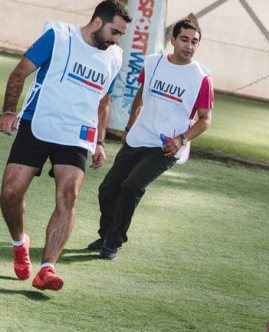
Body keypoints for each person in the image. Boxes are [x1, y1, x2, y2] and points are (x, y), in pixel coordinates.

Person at [0, 0, 130, 291]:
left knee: (68, 196)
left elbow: (103, 103)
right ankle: (20, 242)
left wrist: (98, 142)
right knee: (9, 192)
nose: (116, 39)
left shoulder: (113, 57)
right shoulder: (58, 37)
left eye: (120, 35)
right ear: (98, 22)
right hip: (38, 122)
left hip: (76, 133)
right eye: (115, 32)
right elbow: (20, 73)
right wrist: (9, 111)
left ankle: (47, 268)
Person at [87, 19, 213, 260]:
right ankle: (105, 234)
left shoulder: (202, 78)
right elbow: (140, 95)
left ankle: (113, 243)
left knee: (132, 185)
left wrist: (181, 139)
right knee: (108, 188)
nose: (189, 46)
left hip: (167, 147)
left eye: (194, 42)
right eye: (184, 39)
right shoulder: (153, 63)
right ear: (173, 40)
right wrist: (129, 126)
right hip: (138, 137)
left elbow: (205, 119)